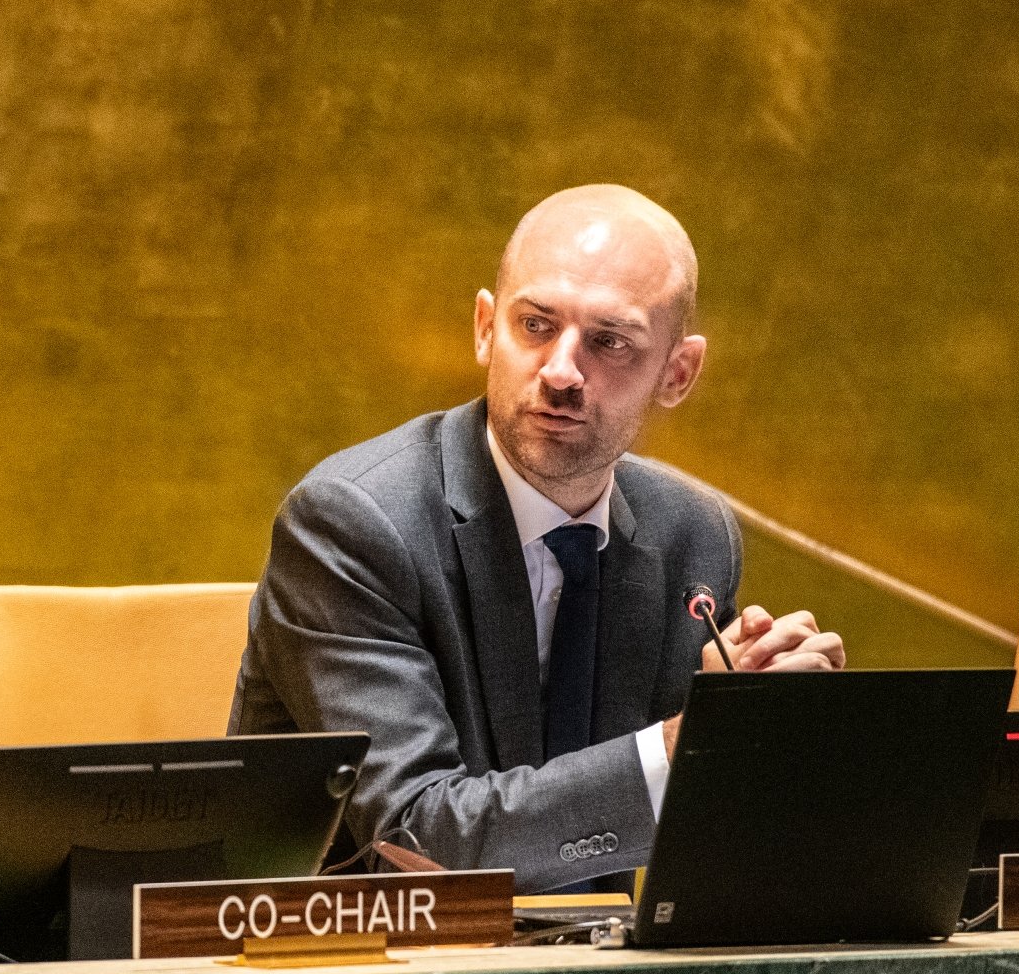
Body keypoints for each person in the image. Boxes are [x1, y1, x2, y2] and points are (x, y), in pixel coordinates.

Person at [229, 185, 844, 893]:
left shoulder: (692, 536)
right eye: (535, 324)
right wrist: (686, 749)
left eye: (610, 341)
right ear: (486, 327)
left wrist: (769, 731)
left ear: (678, 373)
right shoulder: (354, 525)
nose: (560, 371)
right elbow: (421, 842)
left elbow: (693, 839)